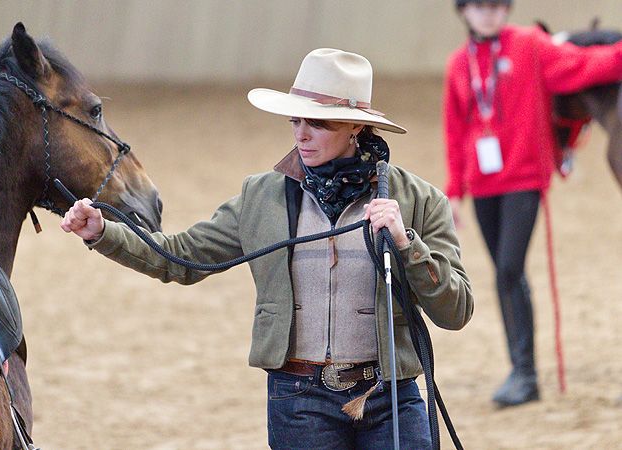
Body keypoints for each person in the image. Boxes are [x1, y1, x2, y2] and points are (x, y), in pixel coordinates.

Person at [62, 48, 473, 449]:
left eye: (318, 122)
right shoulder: (262, 197)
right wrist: (104, 232)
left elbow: (456, 310)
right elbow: (181, 258)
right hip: (298, 399)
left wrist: (406, 243)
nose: (301, 133)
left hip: (391, 397)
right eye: (295, 120)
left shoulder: (419, 200)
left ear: (356, 127)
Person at [444, 0, 622, 407]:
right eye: (478, 6)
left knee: (509, 266)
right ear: (464, 12)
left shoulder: (531, 44)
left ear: (506, 9)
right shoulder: (458, 64)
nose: (487, 13)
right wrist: (455, 189)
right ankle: (521, 371)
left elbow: (588, 65)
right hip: (483, 182)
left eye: (495, 5)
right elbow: (456, 127)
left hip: (524, 179)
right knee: (505, 275)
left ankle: (524, 374)